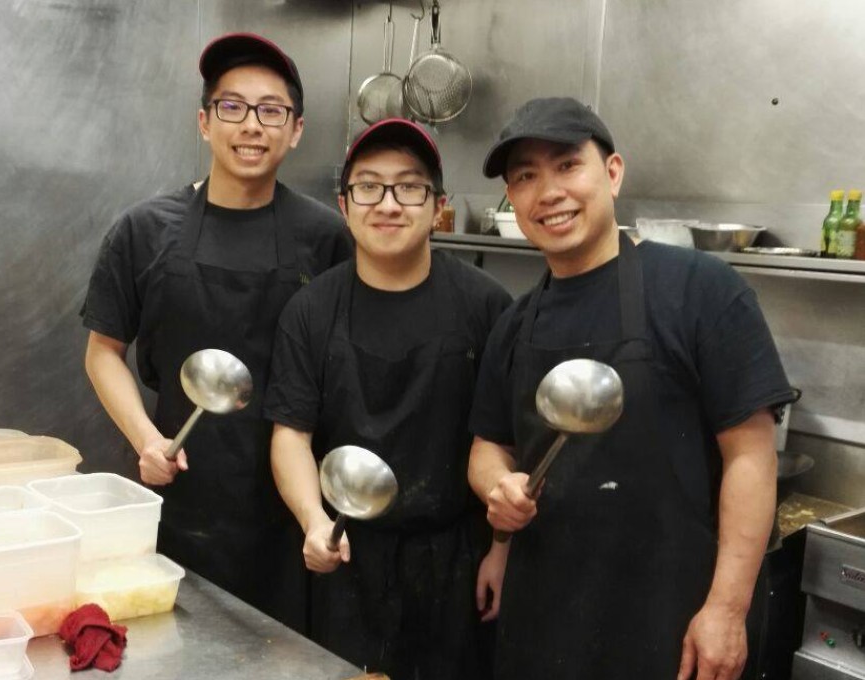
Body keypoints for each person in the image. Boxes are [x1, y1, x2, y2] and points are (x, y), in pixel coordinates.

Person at [467, 97, 796, 680]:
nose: (548, 192)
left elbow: (751, 457)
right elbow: (489, 448)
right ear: (512, 200)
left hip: (671, 615)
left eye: (568, 166)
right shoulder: (516, 324)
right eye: (524, 177)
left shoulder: (702, 289)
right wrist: (499, 497)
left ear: (612, 172)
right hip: (546, 609)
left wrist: (726, 610)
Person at [80, 33, 351, 632]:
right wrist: (147, 439)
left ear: (296, 129)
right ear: (204, 122)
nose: (251, 126)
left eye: (270, 111)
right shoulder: (145, 230)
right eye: (232, 107)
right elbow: (103, 352)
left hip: (291, 514)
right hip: (180, 497)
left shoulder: (328, 237)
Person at [264, 118, 512, 680]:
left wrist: (501, 549)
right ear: (345, 204)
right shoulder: (311, 311)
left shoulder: (488, 307)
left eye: (409, 187)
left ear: (437, 206)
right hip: (348, 557)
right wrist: (311, 521)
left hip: (457, 561)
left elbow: (503, 444)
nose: (389, 204)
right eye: (369, 186)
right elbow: (290, 435)